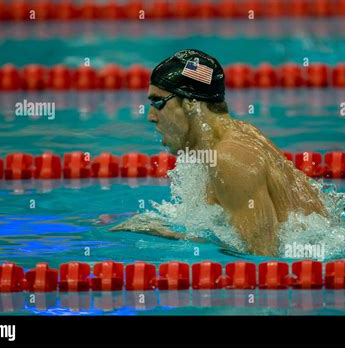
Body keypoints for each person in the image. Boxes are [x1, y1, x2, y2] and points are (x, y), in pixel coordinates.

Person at [110, 49, 326, 256]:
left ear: (191, 105)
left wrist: (173, 235)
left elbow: (263, 259)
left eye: (158, 102)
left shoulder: (230, 159)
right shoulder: (236, 134)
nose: (151, 116)